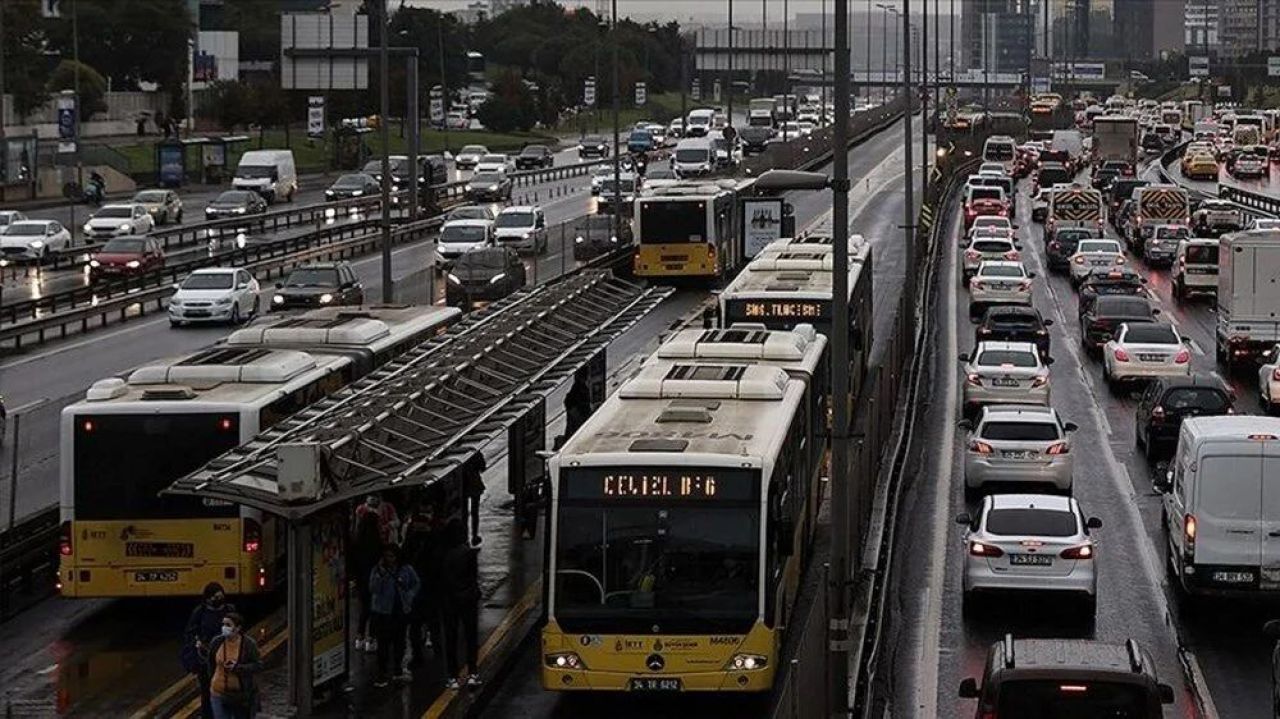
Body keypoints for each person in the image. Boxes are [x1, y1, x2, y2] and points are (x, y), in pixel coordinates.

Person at [367, 544, 420, 687]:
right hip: (383, 612)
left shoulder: (406, 569)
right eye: (387, 556)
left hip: (400, 610)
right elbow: (373, 588)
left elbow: (416, 583)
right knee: (383, 643)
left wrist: (409, 596)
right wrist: (382, 575)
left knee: (399, 641)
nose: (390, 559)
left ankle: (397, 669)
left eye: (392, 556)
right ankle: (382, 672)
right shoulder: (377, 571)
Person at [439, 518, 481, 689]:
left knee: (451, 637)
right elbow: (473, 577)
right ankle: (473, 672)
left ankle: (452, 675)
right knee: (471, 636)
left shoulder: (442, 553)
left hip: (449, 600)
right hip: (467, 599)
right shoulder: (469, 553)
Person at [184, 582, 236, 719]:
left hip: (226, 657)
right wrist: (197, 644)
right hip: (206, 660)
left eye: (220, 596)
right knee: (207, 693)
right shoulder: (200, 612)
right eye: (215, 597)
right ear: (208, 598)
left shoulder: (229, 610)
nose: (218, 600)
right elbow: (190, 633)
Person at [402, 505, 444, 668]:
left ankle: (419, 655)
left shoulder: (413, 540)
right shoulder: (434, 539)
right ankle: (436, 651)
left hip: (419, 590)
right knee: (430, 624)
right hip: (428, 589)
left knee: (417, 625)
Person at [206, 612, 263, 719]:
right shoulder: (217, 642)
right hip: (218, 692)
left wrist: (238, 667)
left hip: (240, 696)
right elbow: (210, 663)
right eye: (223, 624)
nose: (224, 628)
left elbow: (258, 665)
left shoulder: (248, 644)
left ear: (237, 628)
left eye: (228, 625)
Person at [351, 509, 383, 653]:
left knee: (364, 608)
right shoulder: (377, 542)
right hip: (375, 579)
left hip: (361, 579)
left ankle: (359, 637)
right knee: (375, 609)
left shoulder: (357, 542)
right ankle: (371, 638)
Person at [461, 455, 485, 547]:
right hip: (475, 484)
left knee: (464, 513)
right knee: (475, 512)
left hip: (463, 486)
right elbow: (482, 467)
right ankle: (474, 535)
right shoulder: (475, 454)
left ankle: (465, 536)